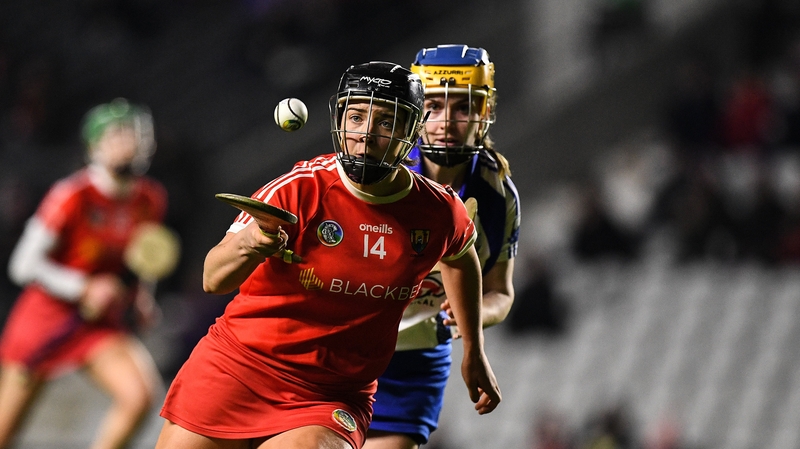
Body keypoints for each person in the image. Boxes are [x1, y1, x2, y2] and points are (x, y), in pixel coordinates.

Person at [155, 61, 501, 449]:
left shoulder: (438, 211)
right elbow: (212, 279)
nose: (366, 134)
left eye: (386, 122)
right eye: (356, 117)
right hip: (238, 368)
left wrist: (473, 348)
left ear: (410, 131)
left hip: (330, 396)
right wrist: (249, 242)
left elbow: (461, 257)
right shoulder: (299, 189)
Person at [365, 44, 520, 449]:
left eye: (463, 106)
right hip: (347, 345)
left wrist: (471, 320)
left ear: (484, 112)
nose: (446, 122)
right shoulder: (376, 171)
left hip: (417, 363)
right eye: (433, 106)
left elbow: (501, 291)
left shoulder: (498, 195)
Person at [0, 98, 166, 449]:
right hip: (47, 320)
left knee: (140, 397)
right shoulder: (72, 195)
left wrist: (142, 297)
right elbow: (22, 266)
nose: (130, 143)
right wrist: (83, 288)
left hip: (97, 324)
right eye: (119, 135)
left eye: (135, 134)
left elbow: (142, 258)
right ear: (95, 146)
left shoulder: (150, 198)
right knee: (4, 431)